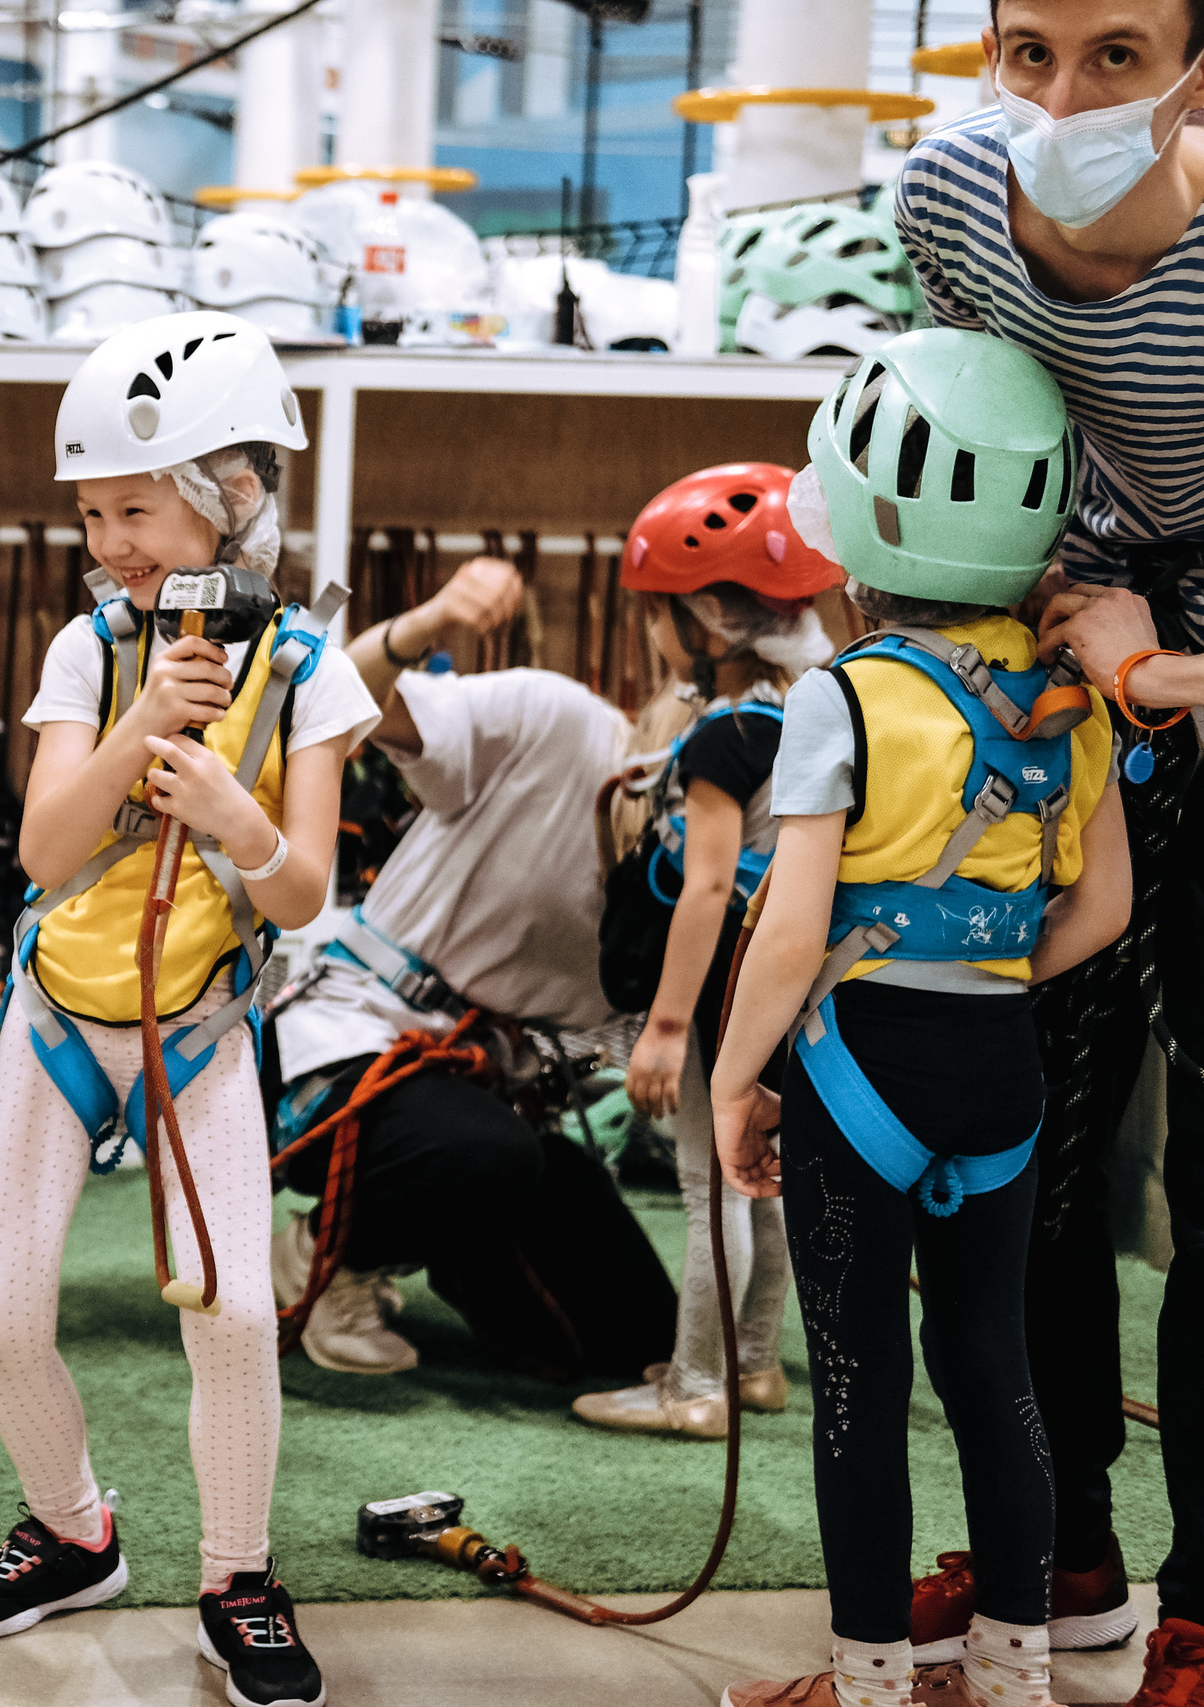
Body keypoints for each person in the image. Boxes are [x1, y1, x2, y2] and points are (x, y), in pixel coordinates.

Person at [0, 311, 372, 1707]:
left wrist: (237, 811)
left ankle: (238, 1572)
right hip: (58, 1014)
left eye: (137, 504)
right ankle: (73, 1528)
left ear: (232, 497)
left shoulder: (310, 672)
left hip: (202, 1029)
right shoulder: (86, 650)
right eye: (92, 512)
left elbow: (301, 894)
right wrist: (139, 725)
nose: (110, 537)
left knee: (237, 1311)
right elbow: (46, 850)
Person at [712, 329, 1129, 1707]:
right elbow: (1103, 907)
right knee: (992, 1358)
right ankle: (1015, 1666)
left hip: (860, 1068)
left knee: (858, 1377)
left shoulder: (840, 696)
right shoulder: (1067, 696)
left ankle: (874, 1675)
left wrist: (734, 1076)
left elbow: (788, 930)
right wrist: (992, 966)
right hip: (1002, 1070)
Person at [895, 2, 1204, 1688]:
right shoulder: (949, 195)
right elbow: (985, 435)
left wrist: (1168, 666)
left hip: (1183, 665)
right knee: (1026, 1155)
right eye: (1030, 52)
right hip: (1058, 682)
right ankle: (1053, 1544)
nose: (1065, 96)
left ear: (1196, 75)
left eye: (1119, 54)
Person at [265, 569, 680, 1385]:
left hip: (490, 1096)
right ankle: (325, 1257)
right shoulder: (561, 724)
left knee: (641, 1339)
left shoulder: (702, 888)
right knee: (488, 1155)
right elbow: (344, 692)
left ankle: (442, 1243)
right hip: (344, 1042)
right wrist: (429, 619)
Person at [570, 463, 839, 1440]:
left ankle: (695, 1385)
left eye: (660, 611)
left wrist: (665, 1029)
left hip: (721, 981)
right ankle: (754, 1364)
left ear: (717, 618)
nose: (651, 632)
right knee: (754, 1174)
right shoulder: (814, 705)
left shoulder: (723, 735)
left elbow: (707, 886)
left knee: (705, 1180)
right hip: (786, 979)